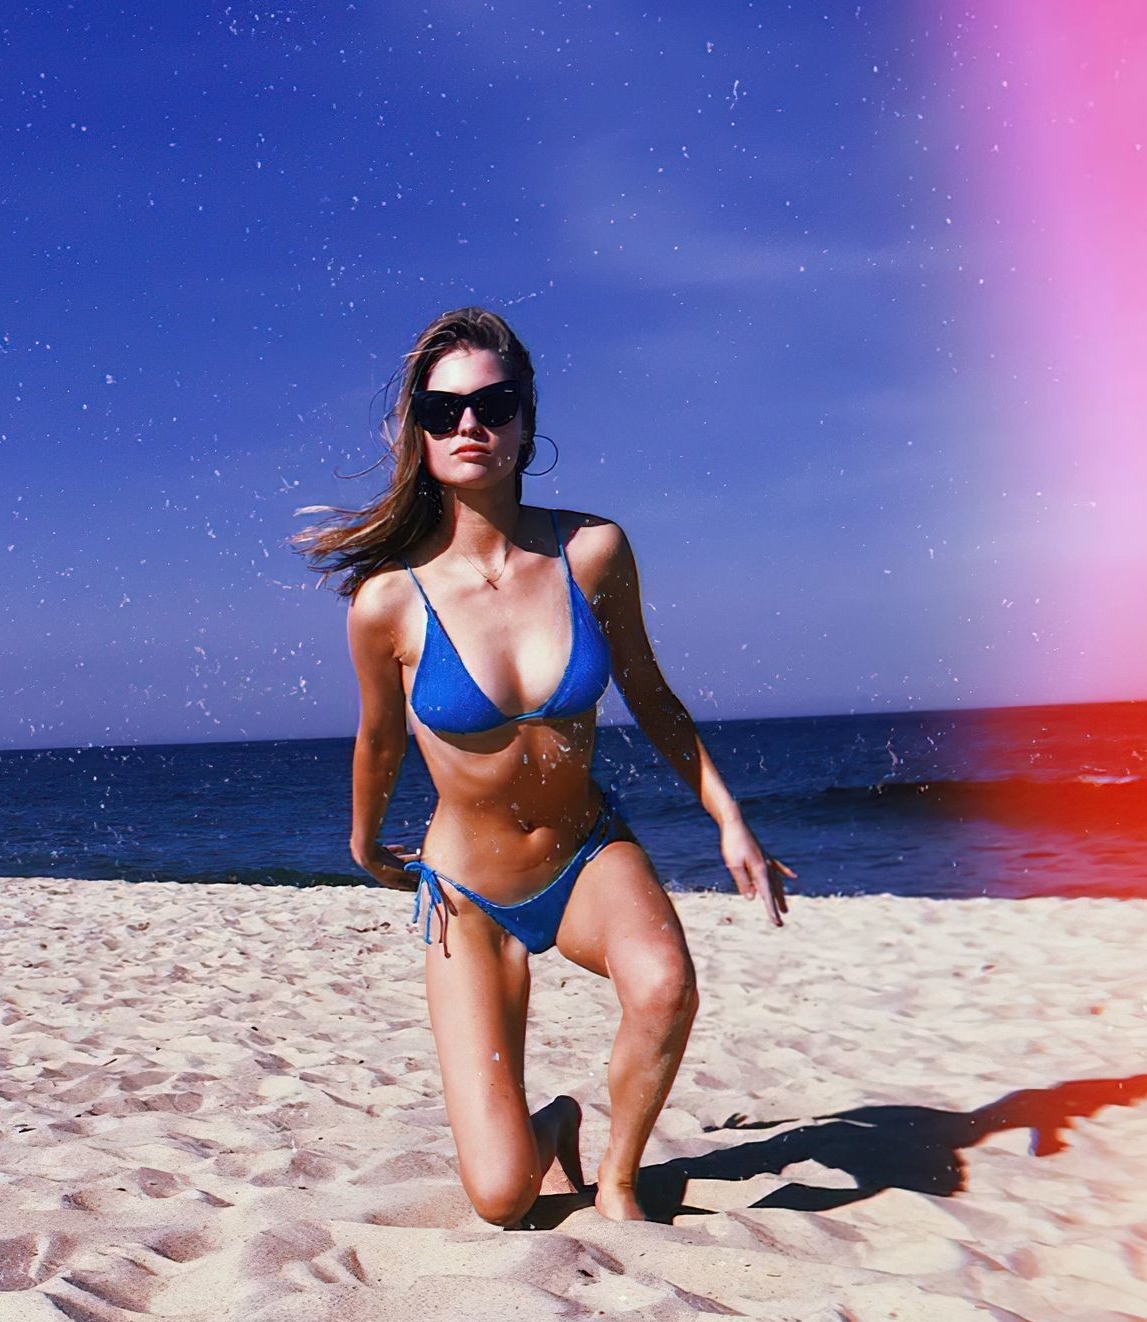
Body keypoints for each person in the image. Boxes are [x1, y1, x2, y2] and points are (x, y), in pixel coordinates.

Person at [292, 307, 794, 1226]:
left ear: (526, 419)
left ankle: (618, 1179)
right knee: (501, 1198)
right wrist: (364, 842)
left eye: (493, 405)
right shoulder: (386, 602)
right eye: (443, 411)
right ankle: (554, 1124)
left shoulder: (591, 550)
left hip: (583, 850)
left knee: (665, 986)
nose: (470, 425)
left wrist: (730, 819)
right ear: (419, 433)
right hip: (469, 891)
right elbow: (379, 740)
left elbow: (651, 695)